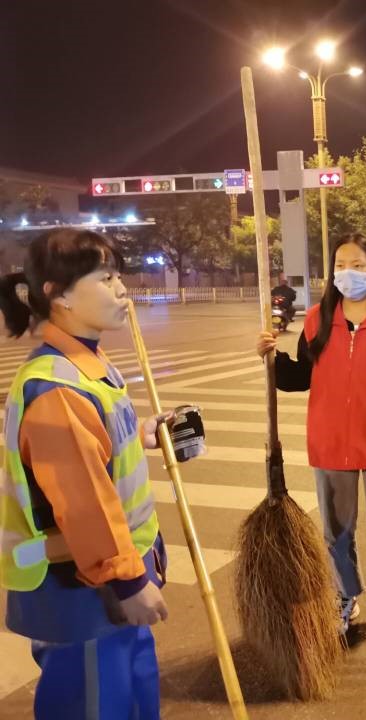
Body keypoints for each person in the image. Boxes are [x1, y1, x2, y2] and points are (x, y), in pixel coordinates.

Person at [0, 229, 174, 719]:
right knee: (97, 706)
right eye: (105, 278)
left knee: (132, 701)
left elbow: (95, 452)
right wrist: (128, 583)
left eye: (118, 276)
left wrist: (140, 434)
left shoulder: (88, 364)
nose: (122, 289)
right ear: (58, 295)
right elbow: (83, 502)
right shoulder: (57, 388)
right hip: (83, 590)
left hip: (106, 579)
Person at [256, 232, 366, 646]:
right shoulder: (317, 319)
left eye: (358, 265)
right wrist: (272, 359)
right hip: (331, 442)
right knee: (337, 532)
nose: (348, 273)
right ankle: (345, 597)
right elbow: (302, 377)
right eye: (341, 265)